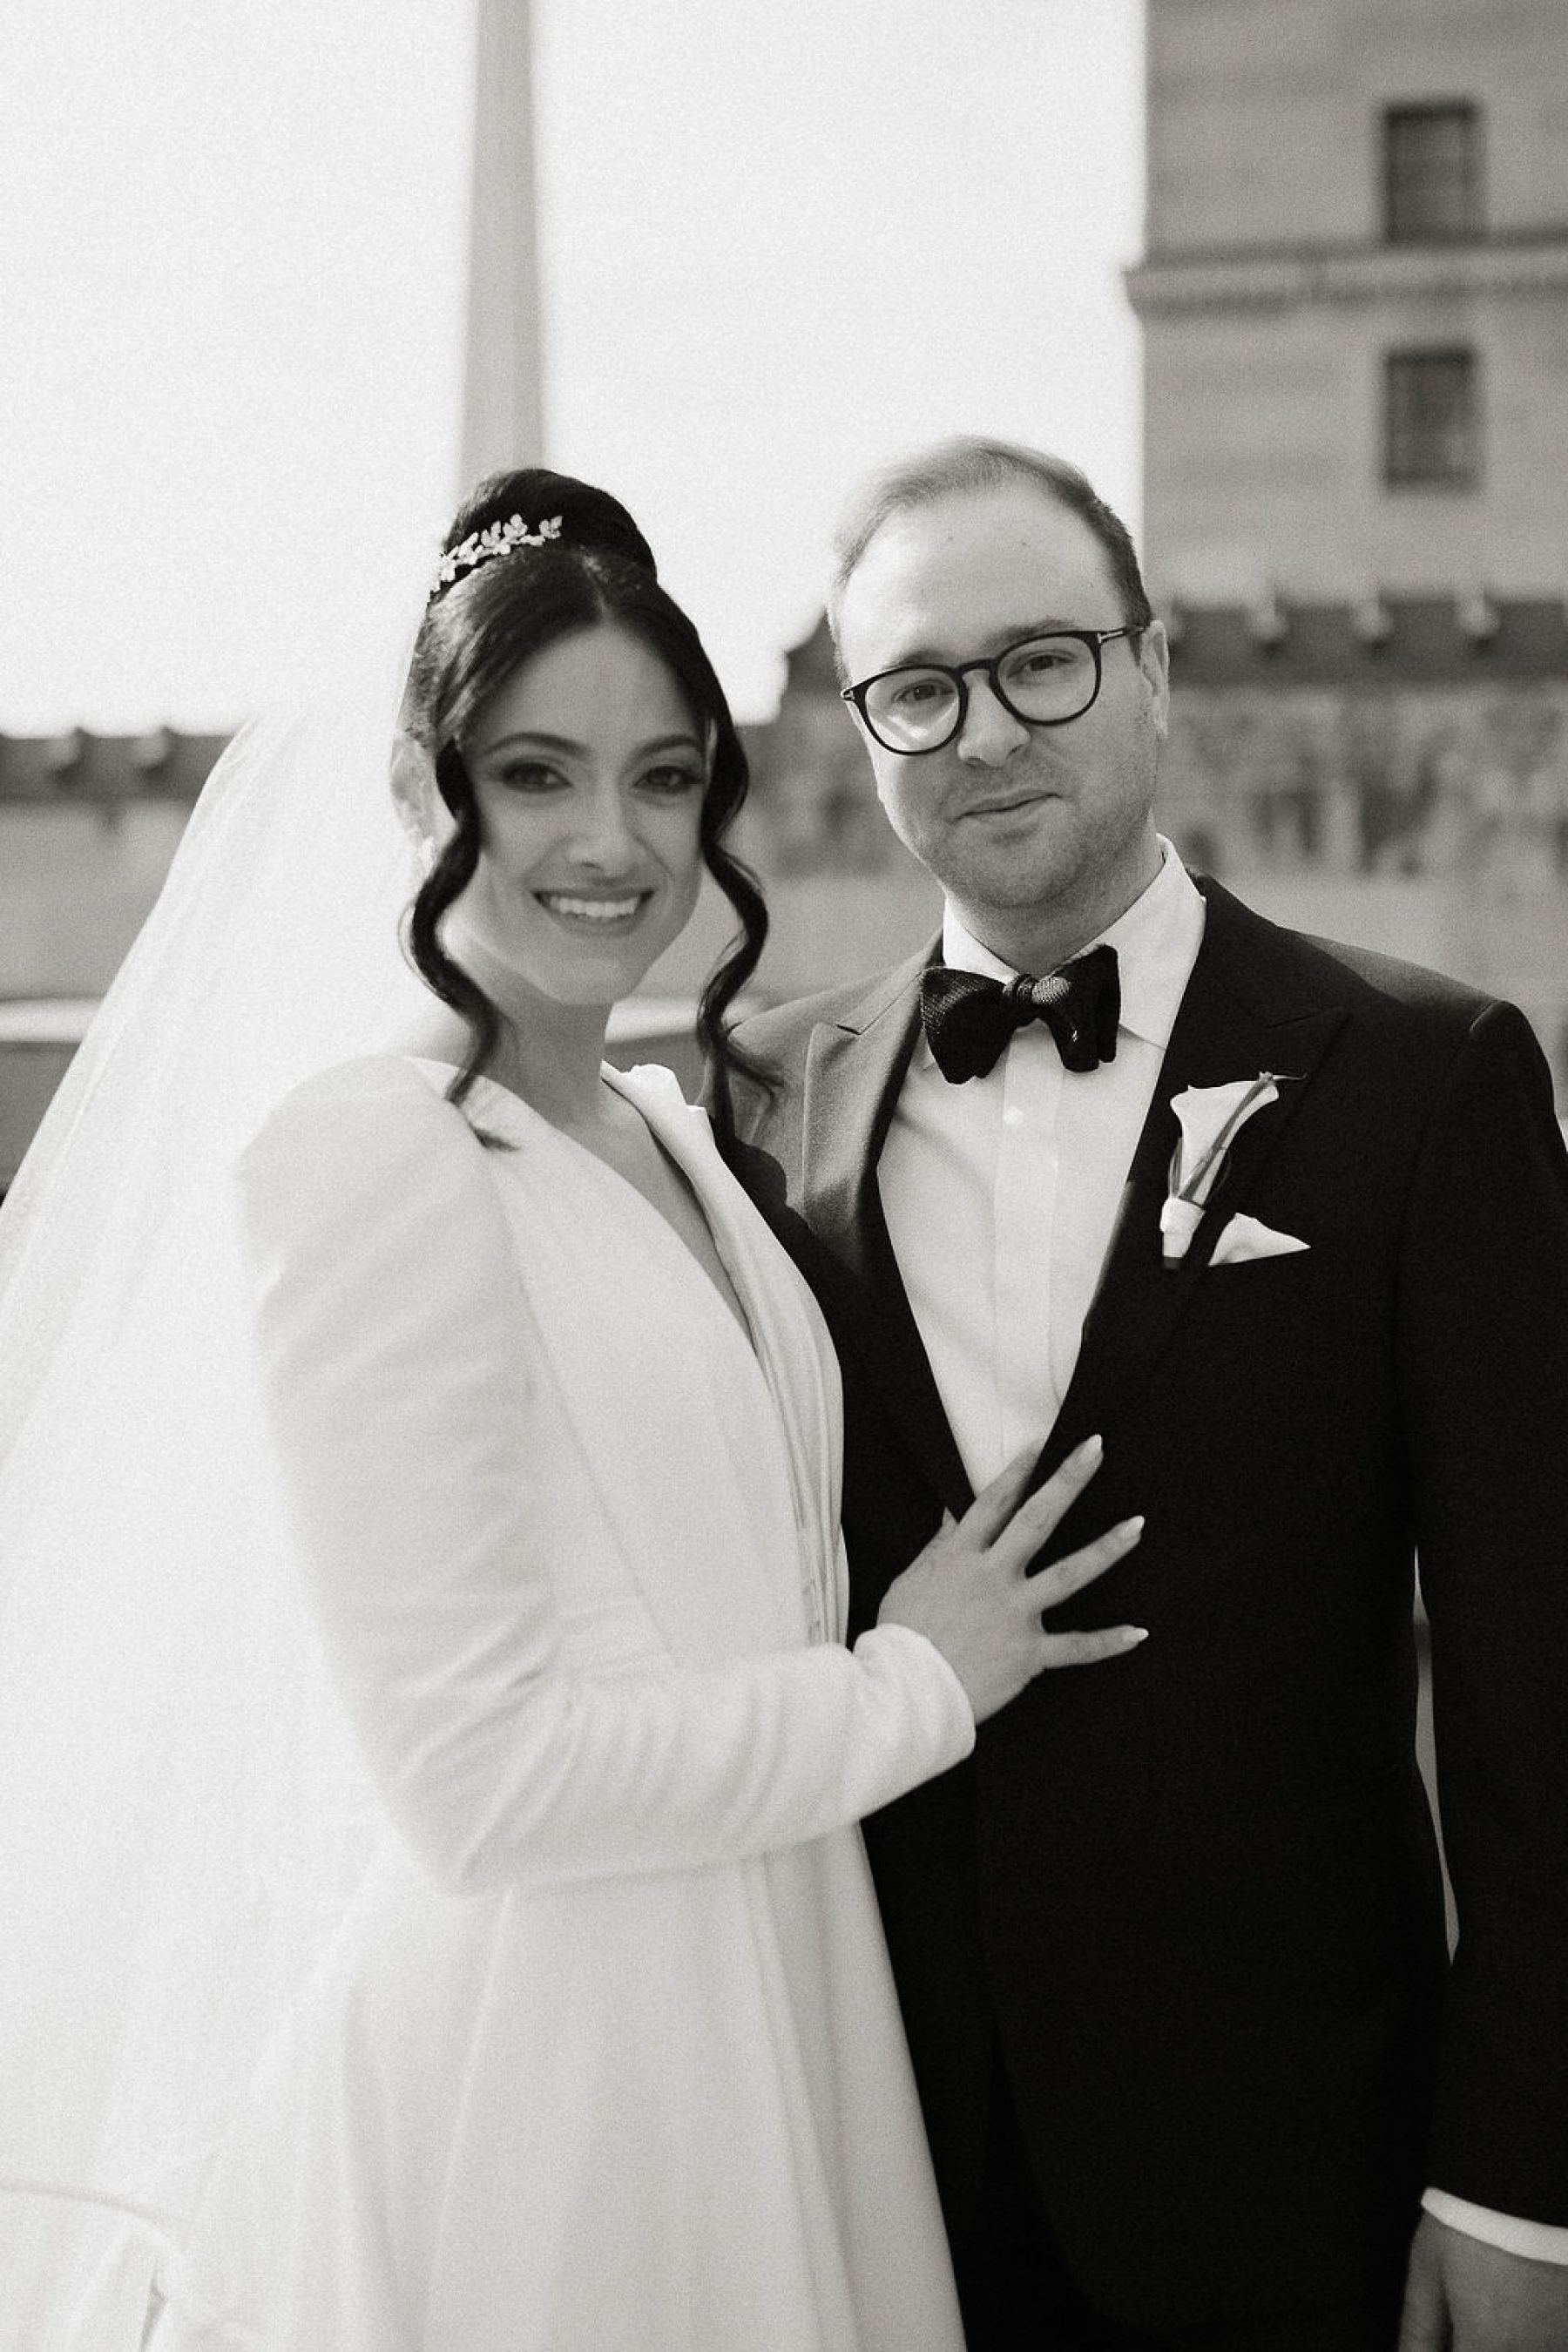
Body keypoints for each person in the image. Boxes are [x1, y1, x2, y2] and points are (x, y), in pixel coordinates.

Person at [0, 468, 1152, 2352]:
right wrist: (916, 1686)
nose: (609, 841)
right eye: (534, 774)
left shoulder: (673, 1132)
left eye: (665, 776)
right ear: (415, 793)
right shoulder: (373, 1153)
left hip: (772, 1991)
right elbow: (475, 1782)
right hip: (550, 2065)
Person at [722, 436, 1568, 2351]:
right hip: (880, 2161)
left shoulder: (1429, 1080)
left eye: (1046, 661)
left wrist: (1521, 2173)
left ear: (1153, 669)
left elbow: (1540, 1674)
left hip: (1300, 2172)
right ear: (863, 734)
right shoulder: (760, 1108)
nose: (986, 730)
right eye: (918, 688)